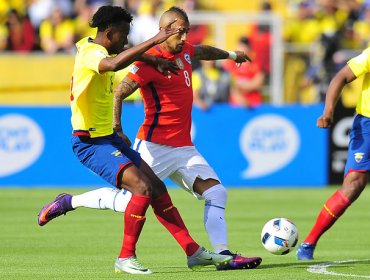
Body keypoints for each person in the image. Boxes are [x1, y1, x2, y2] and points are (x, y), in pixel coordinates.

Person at [37, 6, 262, 271]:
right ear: (110, 33)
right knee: (132, 198)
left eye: (186, 32)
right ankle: (76, 208)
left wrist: (233, 54)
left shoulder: (180, 52)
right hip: (123, 142)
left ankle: (211, 254)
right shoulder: (92, 53)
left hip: (176, 146)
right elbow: (117, 76)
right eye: (179, 32)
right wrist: (153, 49)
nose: (184, 38)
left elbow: (201, 50)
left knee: (197, 192)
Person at [296, 46, 370, 260]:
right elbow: (341, 77)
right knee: (354, 184)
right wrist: (328, 111)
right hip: (367, 125)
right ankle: (309, 243)